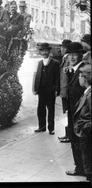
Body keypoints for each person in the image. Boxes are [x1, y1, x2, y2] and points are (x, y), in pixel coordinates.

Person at [65, 42, 86, 177]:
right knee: (76, 141)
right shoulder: (72, 70)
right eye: (70, 55)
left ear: (80, 55)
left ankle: (81, 169)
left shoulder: (83, 71)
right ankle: (80, 167)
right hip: (73, 113)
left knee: (79, 141)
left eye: (75, 55)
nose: (72, 57)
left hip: (80, 114)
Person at [33, 43, 60, 135]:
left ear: (49, 51)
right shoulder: (40, 63)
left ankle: (51, 128)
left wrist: (56, 89)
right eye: (42, 51)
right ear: (40, 52)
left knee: (51, 109)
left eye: (46, 50)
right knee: (41, 109)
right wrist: (35, 89)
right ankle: (42, 127)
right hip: (41, 90)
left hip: (50, 90)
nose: (44, 52)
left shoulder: (55, 63)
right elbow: (37, 76)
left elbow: (57, 78)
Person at [73, 64, 91, 182]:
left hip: (87, 133)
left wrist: (85, 128)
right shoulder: (87, 92)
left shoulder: (90, 95)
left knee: (88, 158)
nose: (79, 78)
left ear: (84, 78)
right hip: (86, 133)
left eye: (80, 76)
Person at [58, 39, 72, 143]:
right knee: (68, 113)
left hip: (68, 91)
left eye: (63, 47)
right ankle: (68, 134)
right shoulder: (64, 58)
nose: (61, 49)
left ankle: (70, 136)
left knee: (70, 114)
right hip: (64, 91)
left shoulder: (69, 59)